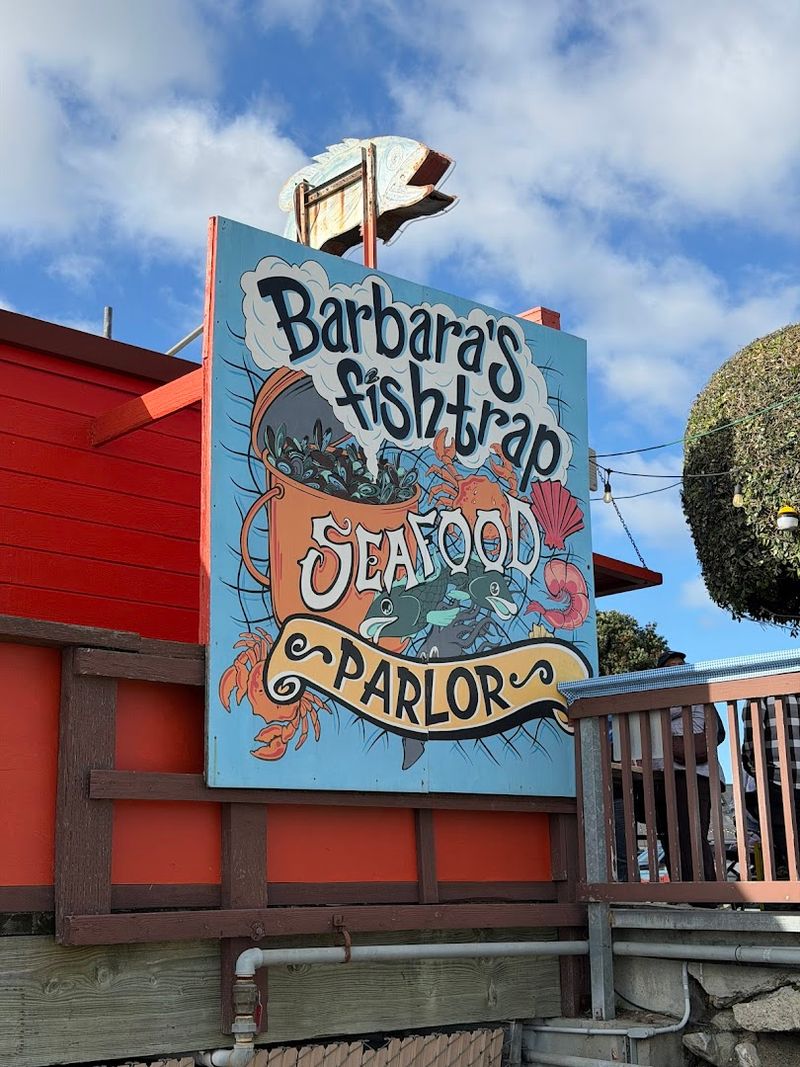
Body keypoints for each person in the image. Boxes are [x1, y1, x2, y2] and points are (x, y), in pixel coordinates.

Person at [648, 649, 723, 882]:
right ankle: (682, 887)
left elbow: (713, 732)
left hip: (694, 773)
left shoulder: (697, 694)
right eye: (671, 667)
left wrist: (664, 735)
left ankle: (704, 891)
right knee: (668, 834)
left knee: (691, 832)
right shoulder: (656, 698)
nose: (678, 669)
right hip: (662, 773)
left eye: (681, 665)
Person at [741, 694, 800, 878]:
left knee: (790, 848)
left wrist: (759, 772)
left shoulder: (763, 691)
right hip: (779, 779)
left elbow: (752, 742)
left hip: (779, 780)